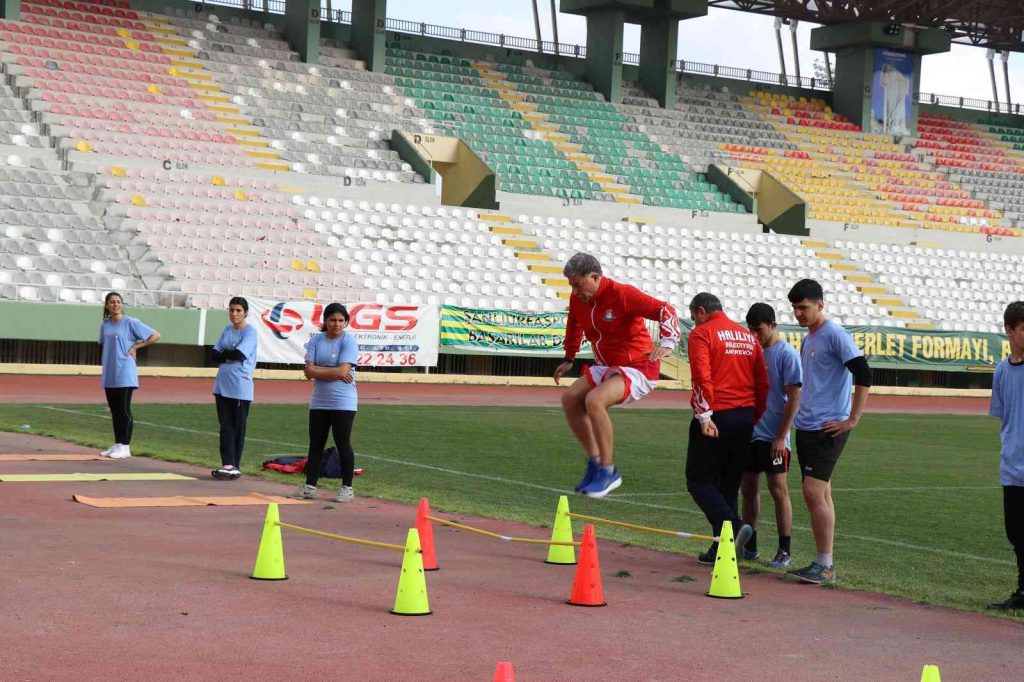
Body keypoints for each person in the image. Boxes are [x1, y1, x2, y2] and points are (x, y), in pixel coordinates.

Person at [554, 252, 680, 498]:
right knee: (569, 398)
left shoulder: (622, 294)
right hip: (607, 365)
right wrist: (569, 357)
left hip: (638, 367)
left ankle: (608, 471)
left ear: (595, 277)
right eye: (571, 285)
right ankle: (594, 462)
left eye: (578, 284)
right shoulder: (578, 299)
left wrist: (668, 342)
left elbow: (665, 310)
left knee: (595, 400)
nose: (575, 291)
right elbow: (574, 324)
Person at [786, 279, 871, 585]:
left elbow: (864, 373)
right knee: (821, 492)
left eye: (803, 307)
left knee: (812, 492)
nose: (798, 313)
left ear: (820, 305)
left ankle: (825, 565)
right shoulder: (809, 338)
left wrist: (852, 419)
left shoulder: (835, 335)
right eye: (795, 308)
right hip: (807, 424)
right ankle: (824, 563)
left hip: (828, 427)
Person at [686, 293, 768, 563]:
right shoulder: (748, 337)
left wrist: (704, 415)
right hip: (744, 416)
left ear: (701, 311)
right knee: (728, 485)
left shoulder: (702, 334)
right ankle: (724, 549)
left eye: (693, 317)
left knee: (698, 481)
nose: (694, 322)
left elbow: (701, 376)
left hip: (716, 414)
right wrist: (754, 415)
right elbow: (762, 382)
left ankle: (734, 527)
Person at [740, 303, 802, 569]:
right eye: (751, 330)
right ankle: (750, 546)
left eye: (759, 330)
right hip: (751, 434)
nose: (755, 335)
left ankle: (784, 550)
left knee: (778, 489)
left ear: (773, 326)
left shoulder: (787, 354)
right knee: (748, 489)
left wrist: (781, 436)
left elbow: (794, 398)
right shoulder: (750, 352)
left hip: (775, 437)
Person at [290, 302, 359, 503]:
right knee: (316, 443)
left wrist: (321, 371)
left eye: (341, 320)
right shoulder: (316, 340)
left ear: (346, 322)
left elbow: (342, 371)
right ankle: (310, 486)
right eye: (332, 320)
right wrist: (334, 372)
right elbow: (308, 371)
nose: (336, 324)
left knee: (342, 443)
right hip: (319, 400)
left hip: (343, 402)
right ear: (325, 321)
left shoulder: (349, 342)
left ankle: (347, 488)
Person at [987, 301, 1024, 610]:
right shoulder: (1001, 371)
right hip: (1012, 466)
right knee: (1017, 533)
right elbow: (1005, 416)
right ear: (1009, 330)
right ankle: (1023, 591)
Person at [98, 292, 160, 459]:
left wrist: (136, 347)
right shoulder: (105, 325)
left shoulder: (131, 322)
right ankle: (118, 444)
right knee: (114, 410)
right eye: (112, 302)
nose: (116, 305)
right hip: (110, 372)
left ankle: (125, 446)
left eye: (119, 302)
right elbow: (103, 344)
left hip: (125, 371)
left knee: (123, 410)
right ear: (107, 305)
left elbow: (155, 335)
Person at [210, 297, 258, 481]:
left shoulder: (250, 332)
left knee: (237, 427)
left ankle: (234, 465)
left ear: (245, 312)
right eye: (231, 310)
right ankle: (227, 464)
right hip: (221, 385)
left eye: (238, 310)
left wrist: (225, 355)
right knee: (225, 427)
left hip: (240, 387)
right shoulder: (226, 330)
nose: (234, 313)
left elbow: (239, 354)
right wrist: (227, 356)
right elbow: (214, 354)